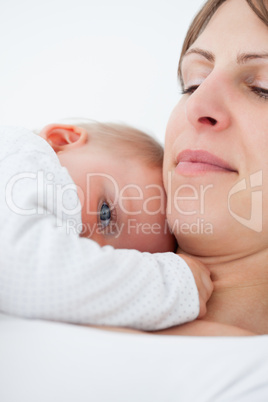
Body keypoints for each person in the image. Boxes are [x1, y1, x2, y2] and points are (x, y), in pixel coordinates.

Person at [0, 121, 212, 330]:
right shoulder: (22, 155)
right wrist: (171, 284)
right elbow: (33, 271)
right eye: (105, 213)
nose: (88, 251)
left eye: (110, 256)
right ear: (61, 140)